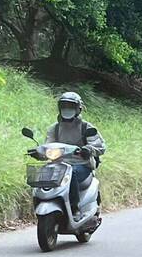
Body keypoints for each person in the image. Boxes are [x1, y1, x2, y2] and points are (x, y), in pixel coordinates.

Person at [45, 92, 106, 220]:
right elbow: (48, 145)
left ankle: (75, 208)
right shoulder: (54, 128)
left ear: (78, 108)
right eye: (64, 106)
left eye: (71, 106)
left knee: (71, 173)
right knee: (42, 173)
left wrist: (88, 149)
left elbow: (99, 146)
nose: (67, 109)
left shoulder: (86, 127)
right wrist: (39, 152)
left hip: (81, 165)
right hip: (58, 165)